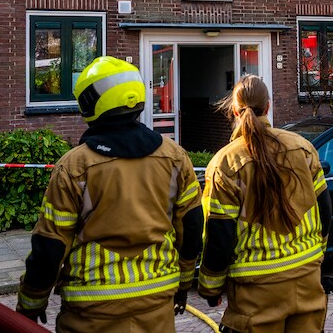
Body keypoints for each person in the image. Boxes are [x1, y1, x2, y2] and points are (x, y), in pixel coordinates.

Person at [16, 56, 203, 332]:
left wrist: (31, 303)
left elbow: (50, 245)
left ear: (90, 104)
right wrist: (184, 283)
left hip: (92, 309)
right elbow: (192, 226)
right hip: (157, 301)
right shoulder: (175, 157)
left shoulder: (74, 166)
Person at [197, 75, 333, 333]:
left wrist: (210, 288)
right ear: (268, 107)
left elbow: (219, 234)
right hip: (306, 282)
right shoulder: (303, 149)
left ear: (234, 111)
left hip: (255, 293)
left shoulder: (224, 164)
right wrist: (318, 255)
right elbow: (324, 210)